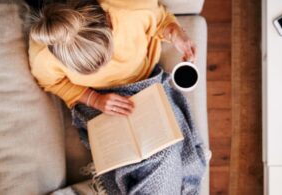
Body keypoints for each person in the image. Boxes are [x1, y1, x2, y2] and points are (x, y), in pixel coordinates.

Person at [28, 0, 207, 194]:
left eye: (107, 57)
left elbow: (160, 20)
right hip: (97, 103)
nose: (104, 69)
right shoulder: (45, 53)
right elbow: (52, 83)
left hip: (144, 86)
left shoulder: (131, 7)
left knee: (167, 150)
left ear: (108, 19)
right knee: (142, 159)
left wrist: (175, 33)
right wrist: (94, 99)